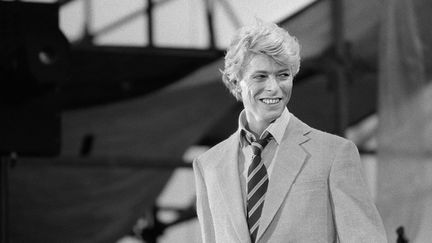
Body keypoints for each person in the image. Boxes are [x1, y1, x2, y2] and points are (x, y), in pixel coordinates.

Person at [193, 21, 387, 243]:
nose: (274, 87)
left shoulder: (334, 154)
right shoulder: (208, 165)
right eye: (261, 76)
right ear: (236, 81)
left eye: (283, 75)